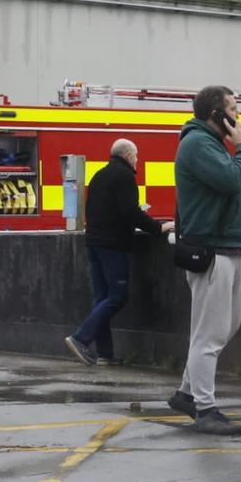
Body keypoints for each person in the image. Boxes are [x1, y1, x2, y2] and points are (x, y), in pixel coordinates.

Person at [166, 86, 241, 436]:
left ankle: (188, 393)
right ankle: (205, 409)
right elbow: (233, 179)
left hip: (229, 248)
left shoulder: (211, 144)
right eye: (233, 109)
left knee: (223, 329)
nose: (238, 116)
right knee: (210, 336)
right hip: (213, 252)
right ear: (215, 114)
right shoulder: (198, 144)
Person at [65, 139, 173, 367]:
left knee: (102, 298)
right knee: (117, 296)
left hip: (93, 243)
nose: (138, 160)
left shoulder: (99, 175)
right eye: (136, 155)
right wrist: (158, 228)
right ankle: (81, 338)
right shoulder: (124, 177)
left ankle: (105, 352)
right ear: (128, 155)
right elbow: (130, 213)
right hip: (113, 245)